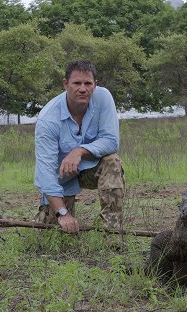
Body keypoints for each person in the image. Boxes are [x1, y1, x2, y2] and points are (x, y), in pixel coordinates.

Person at [33, 60, 125, 234]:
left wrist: (79, 151)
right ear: (65, 84)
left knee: (112, 161)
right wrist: (62, 213)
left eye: (88, 83)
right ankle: (53, 214)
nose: (83, 89)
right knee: (54, 236)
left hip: (89, 167)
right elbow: (46, 174)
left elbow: (111, 141)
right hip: (61, 178)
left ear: (95, 85)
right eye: (76, 83)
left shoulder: (103, 97)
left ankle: (112, 234)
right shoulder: (47, 120)